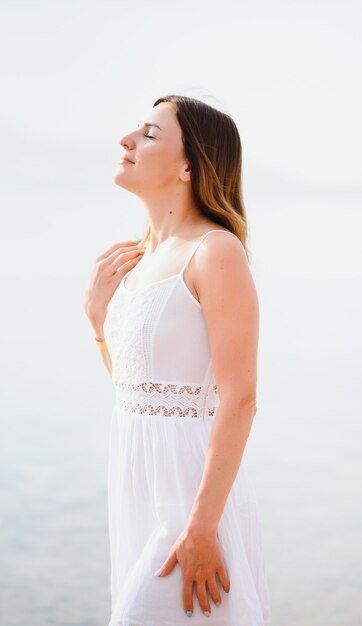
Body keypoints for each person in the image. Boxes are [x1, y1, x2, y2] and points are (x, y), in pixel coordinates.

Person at [83, 95, 272, 625]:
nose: (126, 139)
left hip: (191, 503)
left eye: (148, 134)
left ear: (189, 165)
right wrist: (99, 321)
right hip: (141, 490)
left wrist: (202, 529)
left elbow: (240, 399)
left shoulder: (215, 252)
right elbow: (139, 393)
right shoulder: (139, 258)